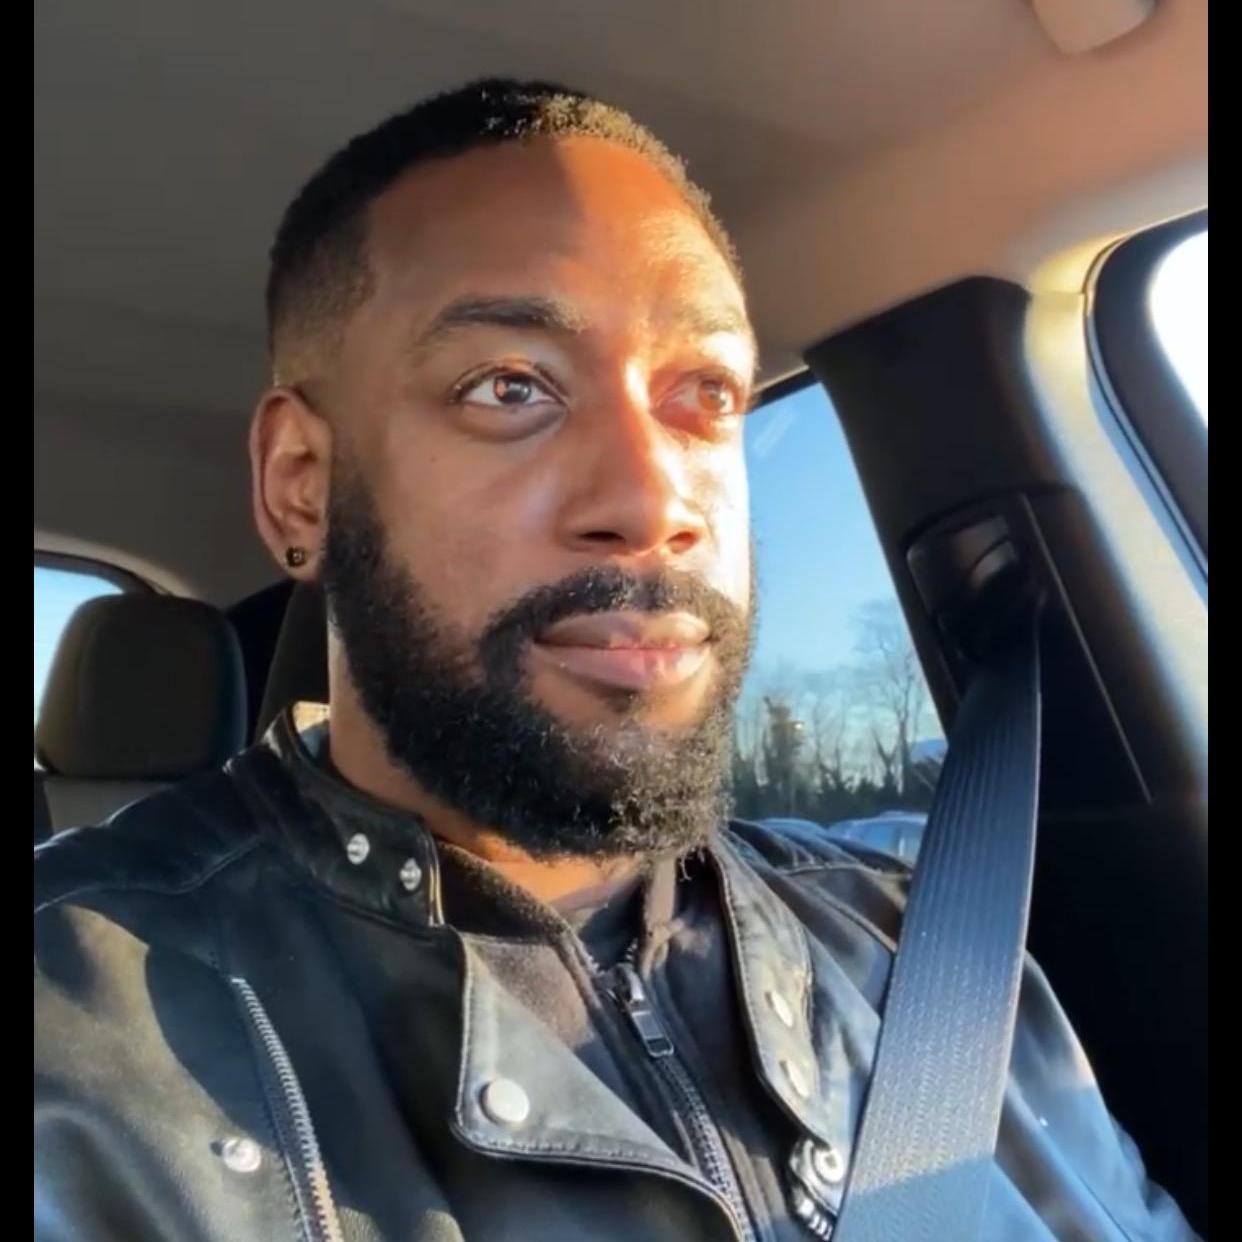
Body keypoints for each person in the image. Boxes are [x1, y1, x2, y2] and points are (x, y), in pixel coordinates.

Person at [34, 79, 1198, 1241]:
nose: (654, 502)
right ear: (303, 485)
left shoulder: (917, 947)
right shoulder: (70, 1048)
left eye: (706, 393)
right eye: (510, 387)